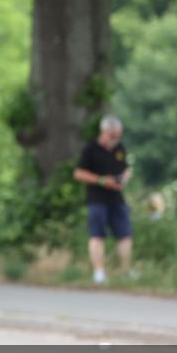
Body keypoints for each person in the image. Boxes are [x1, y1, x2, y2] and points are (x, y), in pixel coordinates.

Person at [73, 115, 134, 285]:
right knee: (97, 235)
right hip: (97, 199)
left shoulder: (119, 148)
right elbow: (78, 173)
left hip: (117, 198)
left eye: (118, 135)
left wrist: (124, 178)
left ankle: (125, 270)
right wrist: (102, 180)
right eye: (112, 135)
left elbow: (126, 169)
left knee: (125, 234)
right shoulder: (91, 149)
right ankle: (99, 272)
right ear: (104, 132)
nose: (116, 138)